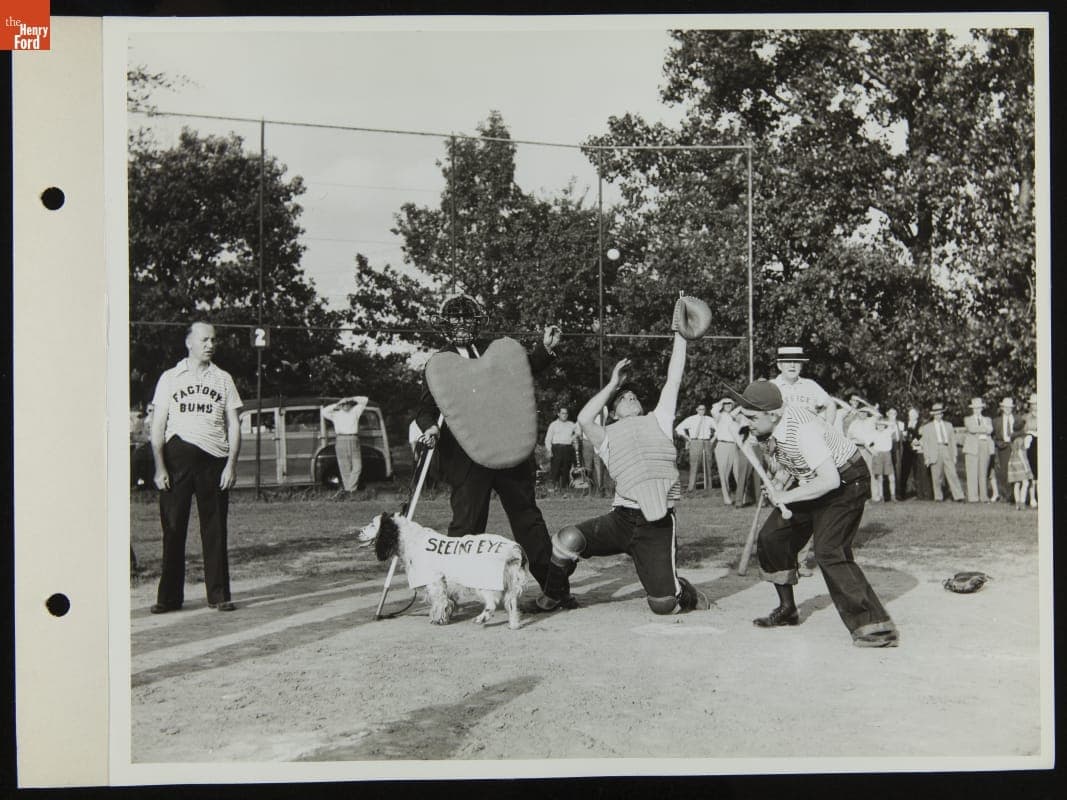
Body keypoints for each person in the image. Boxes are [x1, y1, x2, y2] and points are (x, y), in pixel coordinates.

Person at [529, 329, 707, 615]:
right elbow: (585, 418)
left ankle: (683, 591)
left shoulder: (658, 419)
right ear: (612, 412)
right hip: (621, 519)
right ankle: (555, 596)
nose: (632, 397)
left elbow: (674, 378)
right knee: (567, 540)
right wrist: (613, 384)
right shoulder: (606, 435)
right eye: (624, 398)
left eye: (634, 396)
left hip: (656, 521)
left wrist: (681, 336)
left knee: (663, 606)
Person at [416, 294, 569, 604]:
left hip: (509, 449)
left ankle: (556, 591)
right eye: (455, 319)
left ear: (477, 321)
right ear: (445, 325)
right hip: (467, 457)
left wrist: (546, 348)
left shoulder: (495, 352)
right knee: (466, 526)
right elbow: (424, 409)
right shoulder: (439, 363)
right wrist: (429, 427)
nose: (462, 325)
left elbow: (525, 371)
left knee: (528, 520)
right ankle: (451, 597)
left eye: (466, 318)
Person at [732, 380, 898, 647]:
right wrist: (779, 485)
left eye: (752, 417)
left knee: (829, 550)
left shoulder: (802, 429)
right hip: (814, 479)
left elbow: (829, 481)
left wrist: (785, 496)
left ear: (772, 414)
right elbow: (798, 464)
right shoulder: (775, 424)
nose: (747, 422)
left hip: (846, 483)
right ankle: (788, 611)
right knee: (773, 537)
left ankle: (874, 625)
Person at [149, 321, 242, 613]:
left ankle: (219, 596)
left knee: (214, 529)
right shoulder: (170, 377)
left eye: (213, 340)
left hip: (214, 459)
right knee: (173, 528)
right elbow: (158, 426)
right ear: (189, 343)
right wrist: (159, 467)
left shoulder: (223, 378)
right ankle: (169, 599)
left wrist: (231, 465)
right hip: (177, 458)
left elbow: (234, 425)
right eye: (204, 340)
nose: (210, 344)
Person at [771, 344, 836, 425]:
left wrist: (827, 429)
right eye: (787, 361)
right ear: (779, 365)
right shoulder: (770, 386)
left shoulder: (810, 385)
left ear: (801, 365)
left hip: (808, 434)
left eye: (796, 362)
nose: (792, 365)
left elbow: (830, 404)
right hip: (781, 435)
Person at [322, 395, 369, 493]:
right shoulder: (336, 414)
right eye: (343, 404)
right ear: (341, 406)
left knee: (357, 467)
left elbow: (365, 400)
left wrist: (351, 398)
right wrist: (337, 404)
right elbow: (324, 411)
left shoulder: (355, 411)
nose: (346, 406)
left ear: (350, 404)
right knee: (345, 467)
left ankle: (349, 489)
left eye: (347, 404)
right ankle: (351, 491)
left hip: (354, 439)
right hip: (341, 439)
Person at [919, 402, 965, 502]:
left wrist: (955, 455)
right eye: (936, 414)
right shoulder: (927, 427)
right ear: (933, 415)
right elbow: (926, 444)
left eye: (940, 413)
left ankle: (958, 496)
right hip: (934, 451)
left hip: (946, 449)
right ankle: (938, 497)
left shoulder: (948, 425)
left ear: (942, 414)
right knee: (936, 476)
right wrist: (927, 457)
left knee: (952, 473)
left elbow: (953, 441)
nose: (938, 415)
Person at [675, 402, 714, 492]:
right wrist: (687, 438)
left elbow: (718, 429)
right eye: (700, 409)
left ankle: (709, 487)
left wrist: (713, 439)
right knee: (694, 464)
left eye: (703, 409)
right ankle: (691, 487)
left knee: (708, 463)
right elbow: (679, 428)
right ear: (697, 410)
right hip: (695, 441)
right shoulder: (691, 419)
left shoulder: (709, 419)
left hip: (706, 441)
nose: (702, 411)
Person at [961, 398, 995, 503]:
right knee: (972, 472)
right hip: (972, 447)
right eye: (975, 408)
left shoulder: (988, 419)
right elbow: (972, 429)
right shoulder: (967, 419)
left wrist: (980, 429)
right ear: (972, 409)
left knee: (983, 472)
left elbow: (991, 430)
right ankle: (973, 497)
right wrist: (984, 429)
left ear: (982, 408)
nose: (977, 410)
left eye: (979, 408)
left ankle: (984, 497)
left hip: (985, 446)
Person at [992, 397, 1024, 504]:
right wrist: (999, 443)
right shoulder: (996, 421)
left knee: (1016, 470)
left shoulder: (1018, 419)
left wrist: (1012, 436)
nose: (1007, 409)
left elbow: (1021, 432)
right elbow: (993, 436)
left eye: (1009, 407)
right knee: (1004, 471)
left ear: (1012, 408)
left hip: (1015, 446)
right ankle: (1007, 496)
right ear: (1002, 407)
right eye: (1005, 407)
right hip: (1003, 447)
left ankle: (1016, 496)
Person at [709, 397, 740, 505]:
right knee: (723, 474)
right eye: (725, 404)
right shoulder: (719, 415)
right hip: (722, 445)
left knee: (737, 473)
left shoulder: (735, 416)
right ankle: (727, 498)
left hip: (734, 446)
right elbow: (713, 410)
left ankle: (742, 496)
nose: (728, 405)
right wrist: (721, 402)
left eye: (730, 404)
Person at [544, 407, 579, 490]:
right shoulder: (553, 425)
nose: (565, 415)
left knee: (566, 469)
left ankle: (564, 488)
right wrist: (549, 450)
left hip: (567, 448)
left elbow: (579, 432)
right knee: (555, 469)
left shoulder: (571, 424)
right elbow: (548, 439)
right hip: (557, 449)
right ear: (558, 414)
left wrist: (573, 438)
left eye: (566, 413)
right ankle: (553, 488)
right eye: (563, 413)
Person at [869, 414, 897, 502]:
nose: (880, 426)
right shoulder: (873, 433)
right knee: (880, 477)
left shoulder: (888, 431)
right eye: (878, 425)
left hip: (887, 454)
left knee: (891, 476)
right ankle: (881, 497)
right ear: (876, 425)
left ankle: (893, 496)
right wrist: (872, 451)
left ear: (884, 425)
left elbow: (892, 424)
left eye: (882, 425)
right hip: (878, 455)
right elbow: (867, 443)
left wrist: (883, 421)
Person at [1007, 431, 1034, 511]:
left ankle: (1017, 504)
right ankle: (1022, 502)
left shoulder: (1015, 440)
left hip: (1013, 461)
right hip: (1020, 462)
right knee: (1025, 482)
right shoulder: (1021, 440)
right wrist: (1025, 466)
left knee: (1017, 483)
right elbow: (1020, 453)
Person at [1024, 392, 1038, 507]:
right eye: (1032, 404)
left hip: (1040, 444)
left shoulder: (1045, 414)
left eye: (1036, 404)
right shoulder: (1027, 417)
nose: (1034, 406)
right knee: (1031, 472)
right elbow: (1024, 429)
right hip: (1030, 445)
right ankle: (1032, 498)